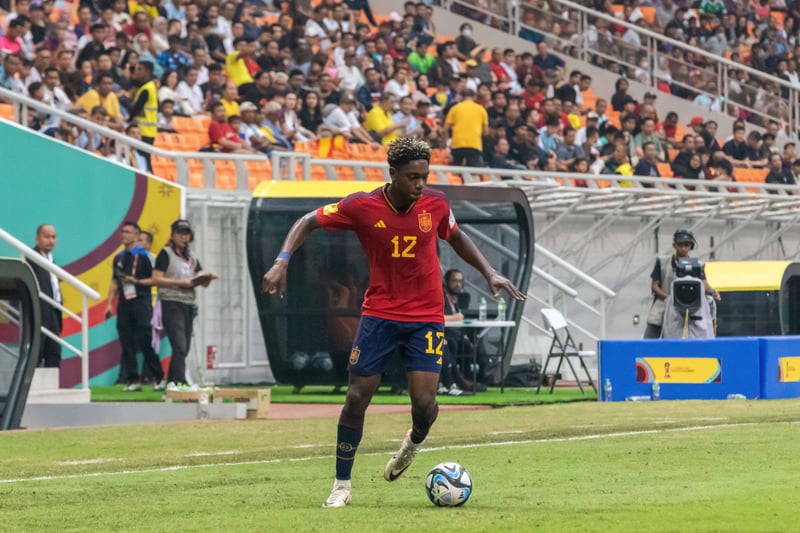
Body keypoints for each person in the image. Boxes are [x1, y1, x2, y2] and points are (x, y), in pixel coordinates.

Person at [261, 137, 525, 508]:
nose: (420, 184)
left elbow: (456, 235)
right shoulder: (361, 205)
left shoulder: (436, 203)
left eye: (424, 176)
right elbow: (307, 221)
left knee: (424, 403)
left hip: (426, 317)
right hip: (380, 315)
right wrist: (282, 261)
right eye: (412, 177)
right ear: (393, 173)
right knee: (356, 397)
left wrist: (490, 272)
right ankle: (341, 485)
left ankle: (413, 442)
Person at [142, 220, 217, 385]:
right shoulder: (165, 253)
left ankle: (172, 382)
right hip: (170, 302)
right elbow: (156, 279)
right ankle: (179, 381)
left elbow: (201, 280)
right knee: (180, 345)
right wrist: (179, 283)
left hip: (188, 303)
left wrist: (207, 278)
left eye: (187, 233)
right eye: (180, 233)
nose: (184, 237)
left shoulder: (192, 257)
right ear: (173, 235)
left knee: (185, 347)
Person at [104, 221, 167, 391]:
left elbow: (156, 280)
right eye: (123, 232)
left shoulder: (146, 256)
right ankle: (132, 380)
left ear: (136, 236)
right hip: (124, 303)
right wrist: (109, 304)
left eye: (128, 232)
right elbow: (115, 281)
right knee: (126, 341)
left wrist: (136, 281)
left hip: (142, 302)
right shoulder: (119, 257)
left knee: (145, 340)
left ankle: (159, 377)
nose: (123, 235)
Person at [644, 229, 720, 339]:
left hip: (691, 308)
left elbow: (703, 283)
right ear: (674, 245)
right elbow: (654, 287)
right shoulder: (662, 262)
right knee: (650, 336)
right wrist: (670, 299)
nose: (683, 248)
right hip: (665, 304)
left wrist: (713, 292)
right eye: (680, 244)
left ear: (691, 246)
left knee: (697, 331)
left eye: (686, 245)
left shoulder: (698, 265)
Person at [27, 224, 62, 368]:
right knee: (37, 352)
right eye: (47, 236)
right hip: (40, 312)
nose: (51, 240)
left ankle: (53, 380)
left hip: (53, 311)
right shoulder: (31, 258)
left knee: (54, 352)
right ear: (37, 239)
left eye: (53, 237)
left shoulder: (51, 259)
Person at [445, 88, 488, 168]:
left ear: (462, 97)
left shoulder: (454, 109)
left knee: (456, 169)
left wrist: (444, 144)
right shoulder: (481, 109)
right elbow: (485, 132)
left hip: (457, 143)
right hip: (474, 143)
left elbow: (445, 129)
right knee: (473, 171)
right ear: (474, 97)